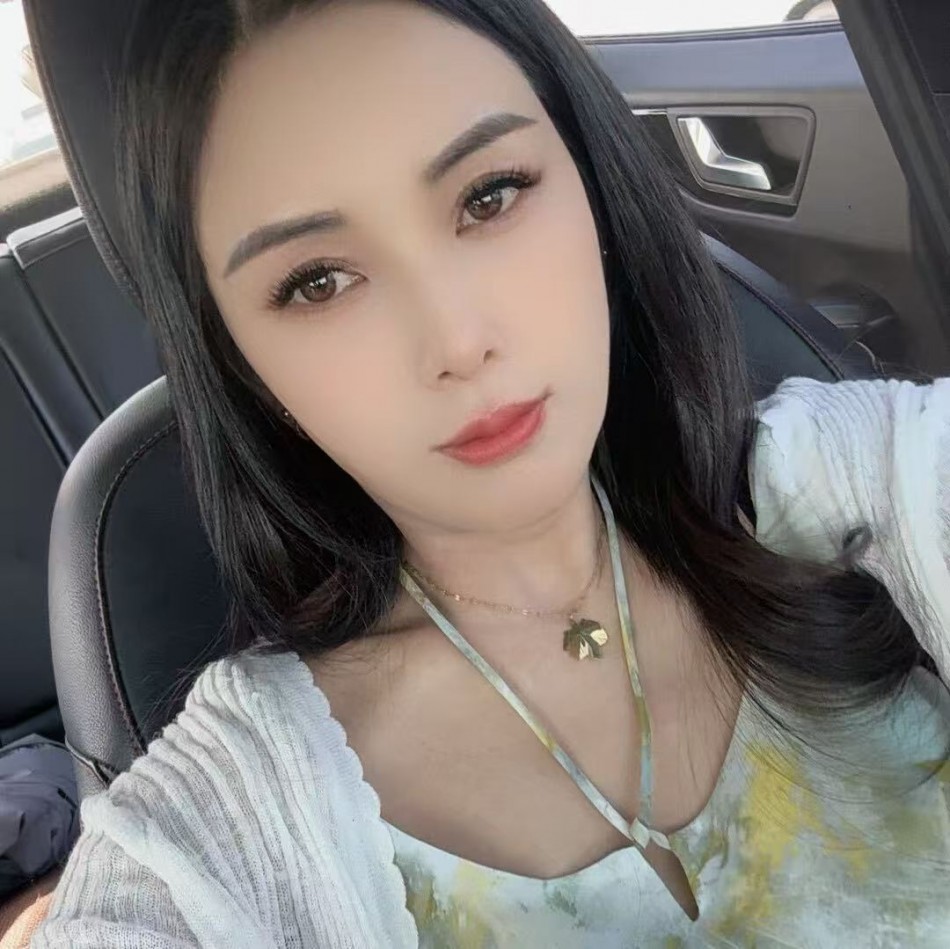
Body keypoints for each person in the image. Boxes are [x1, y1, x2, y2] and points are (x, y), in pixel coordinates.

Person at [32, 0, 950, 945]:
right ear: (242, 367)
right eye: (318, 282)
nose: (458, 342)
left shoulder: (855, 484)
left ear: (590, 182)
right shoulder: (221, 834)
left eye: (490, 196)